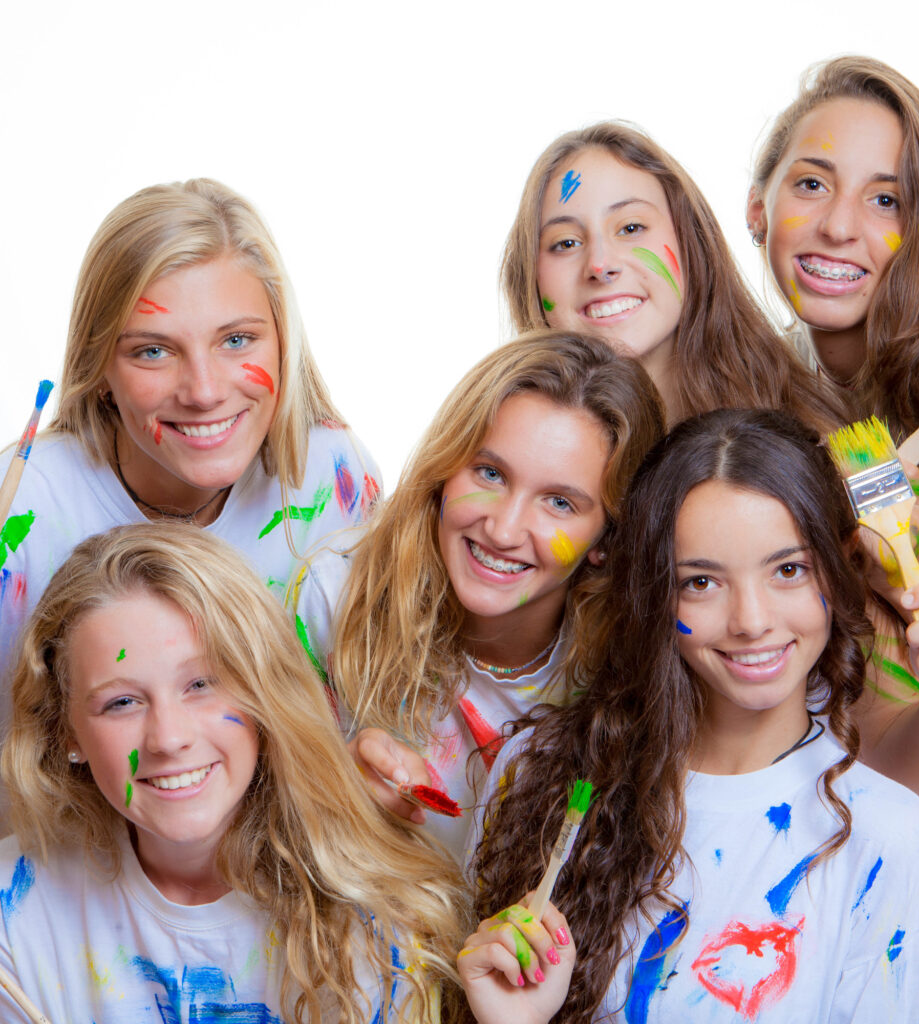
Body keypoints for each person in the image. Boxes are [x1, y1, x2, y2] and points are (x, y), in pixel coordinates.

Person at [463, 409, 919, 1023]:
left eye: (788, 570)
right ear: (653, 591)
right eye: (702, 582)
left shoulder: (891, 839)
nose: (751, 620)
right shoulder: (537, 776)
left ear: (838, 570)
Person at [746, 56, 919, 1013]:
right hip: (829, 845)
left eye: (886, 199)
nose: (837, 225)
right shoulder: (761, 399)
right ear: (757, 209)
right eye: (812, 183)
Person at [0, 523, 469, 1023]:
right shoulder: (15, 913)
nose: (168, 737)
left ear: (264, 693)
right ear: (66, 731)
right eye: (121, 702)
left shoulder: (380, 917)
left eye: (201, 683)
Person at [0, 178, 379, 708]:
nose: (203, 392)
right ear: (100, 368)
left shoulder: (333, 476)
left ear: (283, 341)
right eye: (154, 351)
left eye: (236, 340)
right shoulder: (23, 513)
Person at [302, 330, 664, 854]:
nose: (503, 529)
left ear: (606, 539)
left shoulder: (633, 668)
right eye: (490, 473)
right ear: (446, 469)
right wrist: (330, 791)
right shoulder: (333, 595)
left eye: (559, 503)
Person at [500, 120, 843, 433]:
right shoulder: (505, 440)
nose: (600, 265)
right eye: (566, 243)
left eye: (631, 227)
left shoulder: (809, 424)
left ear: (690, 241)